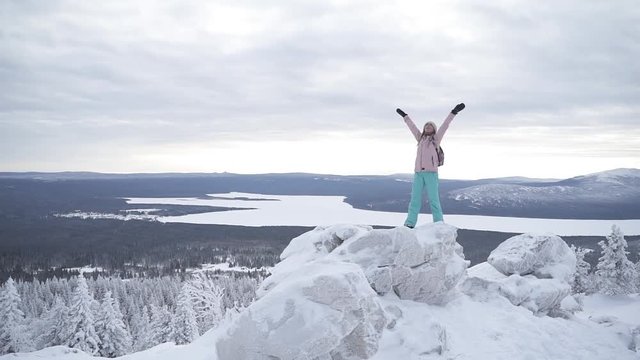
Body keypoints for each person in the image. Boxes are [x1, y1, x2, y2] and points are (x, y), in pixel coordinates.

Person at [396, 103, 465, 228]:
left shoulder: (436, 139)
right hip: (418, 174)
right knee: (414, 200)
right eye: (426, 125)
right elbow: (412, 127)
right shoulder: (420, 138)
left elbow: (445, 125)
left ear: (434, 129)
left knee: (434, 200)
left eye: (430, 125)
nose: (428, 126)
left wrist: (454, 112)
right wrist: (405, 116)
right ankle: (410, 224)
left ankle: (438, 223)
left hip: (431, 174)